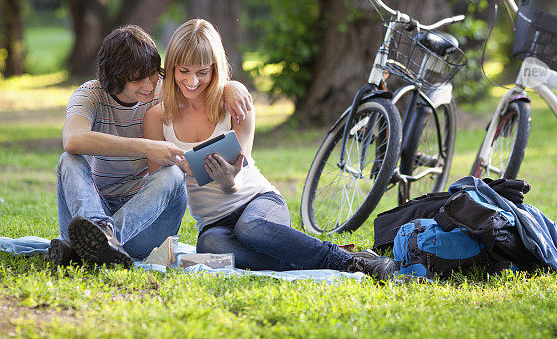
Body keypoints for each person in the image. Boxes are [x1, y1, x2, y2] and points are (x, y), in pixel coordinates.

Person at [142, 19, 395, 280]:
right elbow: (161, 186)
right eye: (183, 71)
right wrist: (178, 168)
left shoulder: (235, 106)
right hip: (214, 223)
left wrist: (228, 181)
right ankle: (332, 258)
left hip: (258, 203)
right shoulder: (157, 118)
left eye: (202, 72)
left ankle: (346, 262)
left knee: (251, 228)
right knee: (210, 247)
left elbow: (238, 177)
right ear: (170, 67)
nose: (192, 81)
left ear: (215, 70)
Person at [50, 24, 252, 268]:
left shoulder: (163, 89)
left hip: (145, 221)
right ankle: (100, 236)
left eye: (153, 73)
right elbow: (72, 139)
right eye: (137, 79)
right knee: (68, 159)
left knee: (172, 174)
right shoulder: (89, 96)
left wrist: (233, 87)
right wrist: (146, 147)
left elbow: (201, 81)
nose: (149, 84)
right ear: (114, 78)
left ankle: (93, 244)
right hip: (90, 211)